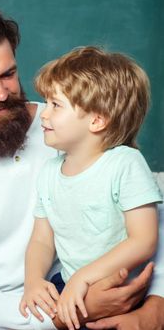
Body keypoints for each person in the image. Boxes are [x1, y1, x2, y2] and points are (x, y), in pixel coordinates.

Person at [0, 4, 164, 330]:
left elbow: (148, 225)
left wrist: (157, 306)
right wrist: (71, 313)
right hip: (10, 307)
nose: (1, 93)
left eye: (8, 74)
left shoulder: (67, 129)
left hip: (78, 282)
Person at [20, 46, 162, 330]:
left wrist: (83, 277)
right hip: (74, 290)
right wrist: (33, 280)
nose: (43, 116)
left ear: (97, 120)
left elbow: (144, 240)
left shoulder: (125, 163)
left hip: (125, 295)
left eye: (55, 105)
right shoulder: (49, 172)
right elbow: (42, 240)